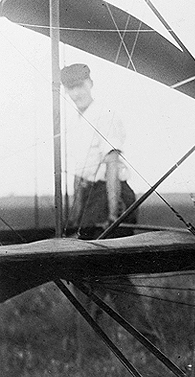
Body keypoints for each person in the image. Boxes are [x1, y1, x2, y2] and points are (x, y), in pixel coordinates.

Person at [60, 63, 162, 348]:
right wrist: (74, 217)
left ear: (90, 83)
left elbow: (112, 163)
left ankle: (146, 342)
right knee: (87, 272)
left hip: (110, 193)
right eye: (70, 88)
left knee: (109, 272)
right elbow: (79, 177)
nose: (75, 92)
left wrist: (113, 212)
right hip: (89, 195)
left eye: (79, 85)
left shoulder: (105, 115)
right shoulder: (74, 122)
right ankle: (92, 349)